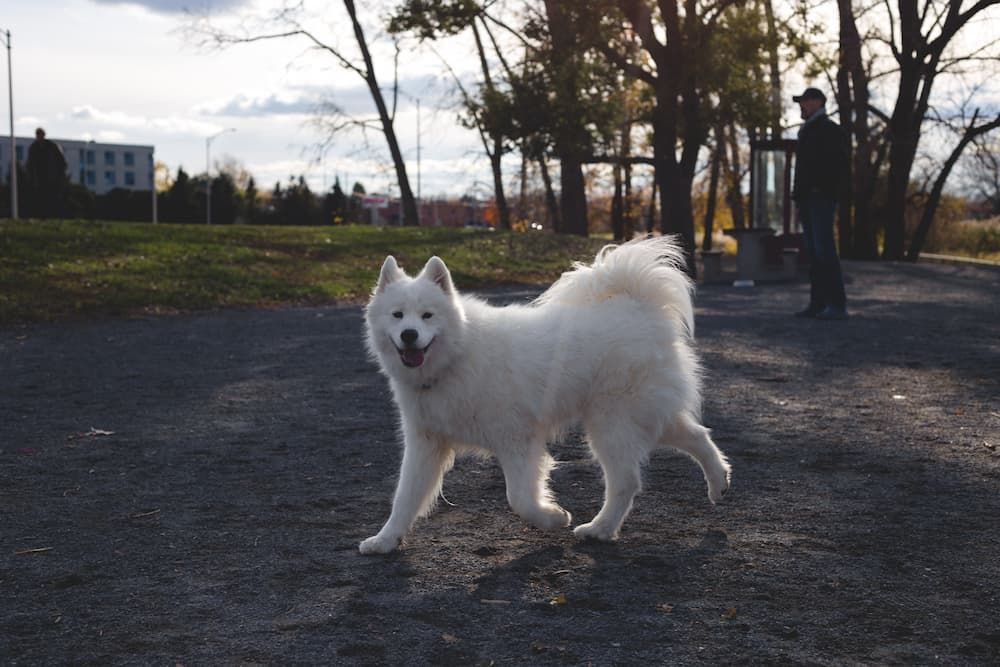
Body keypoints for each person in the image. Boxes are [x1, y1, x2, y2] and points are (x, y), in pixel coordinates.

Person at [791, 87, 849, 320]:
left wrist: (822, 189)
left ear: (817, 102)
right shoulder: (810, 130)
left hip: (820, 198)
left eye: (804, 102)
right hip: (809, 198)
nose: (801, 106)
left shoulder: (828, 130)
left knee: (824, 250)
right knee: (815, 253)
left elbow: (838, 166)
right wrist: (800, 195)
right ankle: (819, 303)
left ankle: (836, 304)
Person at [26, 127, 68, 219]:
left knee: (53, 198)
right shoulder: (33, 148)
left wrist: (59, 175)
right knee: (42, 198)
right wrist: (31, 177)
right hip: (39, 178)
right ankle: (43, 216)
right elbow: (30, 163)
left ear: (44, 135)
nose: (39, 136)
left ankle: (54, 216)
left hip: (52, 178)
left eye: (40, 134)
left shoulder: (52, 146)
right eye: (37, 134)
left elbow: (61, 162)